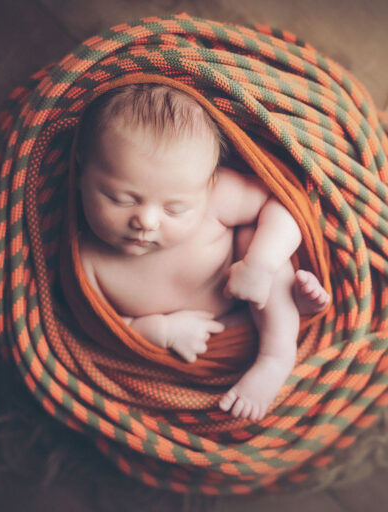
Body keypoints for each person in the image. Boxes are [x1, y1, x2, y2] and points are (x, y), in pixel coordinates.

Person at [75, 84, 329, 421]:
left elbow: (284, 206)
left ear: (207, 185)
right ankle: (295, 311)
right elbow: (101, 330)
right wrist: (159, 330)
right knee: (254, 313)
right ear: (80, 174)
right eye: (122, 199)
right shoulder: (86, 259)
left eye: (175, 209)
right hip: (208, 337)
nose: (146, 221)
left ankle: (275, 356)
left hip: (251, 285)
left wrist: (260, 264)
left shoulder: (217, 197)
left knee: (259, 241)